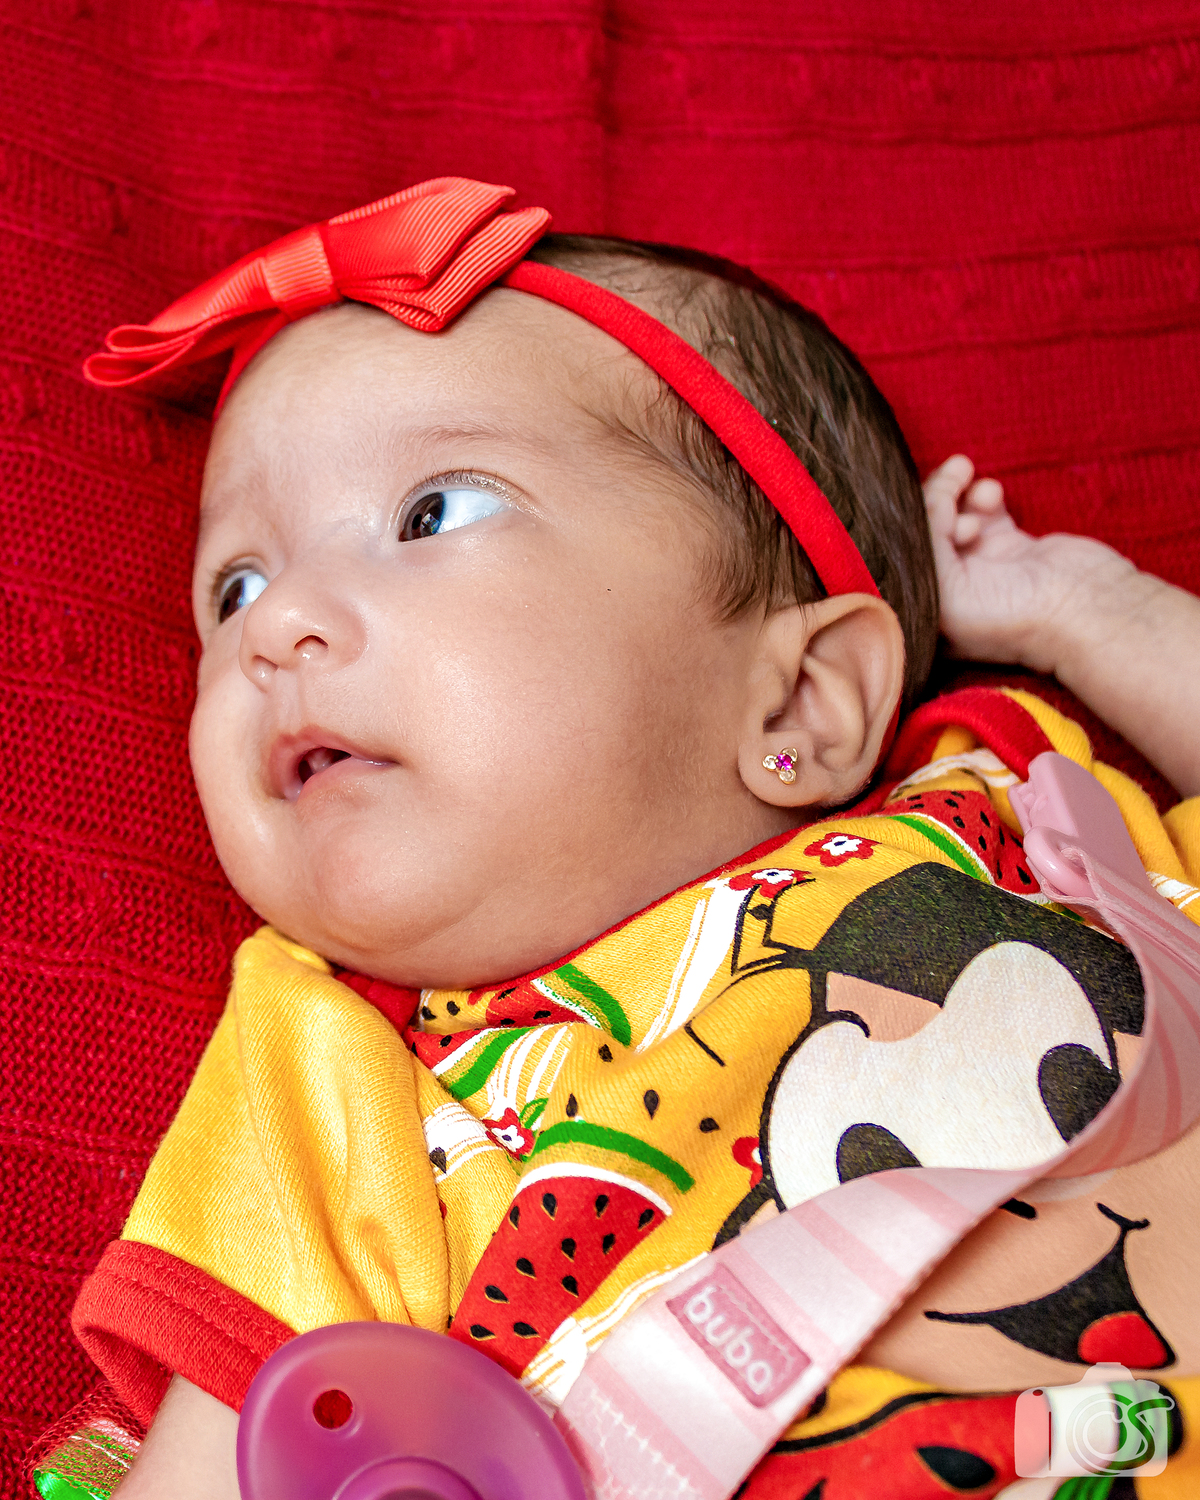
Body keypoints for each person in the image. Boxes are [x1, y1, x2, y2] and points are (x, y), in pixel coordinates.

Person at [40, 181, 1200, 1500]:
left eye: (432, 514)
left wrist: (1087, 614)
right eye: (232, 587)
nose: (273, 624)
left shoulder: (1008, 804)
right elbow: (237, 1443)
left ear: (802, 704)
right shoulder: (322, 1055)